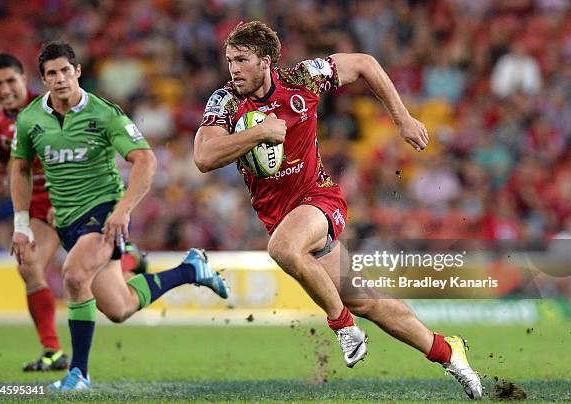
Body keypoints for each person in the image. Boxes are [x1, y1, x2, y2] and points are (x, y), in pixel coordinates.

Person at [195, 21, 482, 400]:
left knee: (283, 249)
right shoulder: (225, 102)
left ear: (265, 62)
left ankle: (343, 327)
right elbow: (203, 157)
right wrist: (259, 133)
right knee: (365, 300)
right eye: (229, 60)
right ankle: (448, 351)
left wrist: (402, 118)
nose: (233, 68)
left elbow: (364, 63)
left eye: (242, 60)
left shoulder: (302, 79)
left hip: (320, 200)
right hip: (282, 218)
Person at [10, 41, 228, 391]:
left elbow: (146, 160)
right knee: (120, 307)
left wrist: (123, 211)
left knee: (74, 275)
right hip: (66, 221)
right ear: (43, 79)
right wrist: (21, 225)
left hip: (103, 213)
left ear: (78, 72)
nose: (61, 78)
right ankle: (191, 269)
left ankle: (78, 373)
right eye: (52, 73)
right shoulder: (30, 120)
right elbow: (19, 170)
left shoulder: (104, 113)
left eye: (66, 70)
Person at [0, 53, 69, 372]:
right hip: (37, 206)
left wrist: (69, 199)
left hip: (75, 195)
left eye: (11, 81)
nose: (5, 89)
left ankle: (129, 255)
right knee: (28, 265)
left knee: (110, 294)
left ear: (25, 80)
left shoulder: (52, 107)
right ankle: (53, 351)